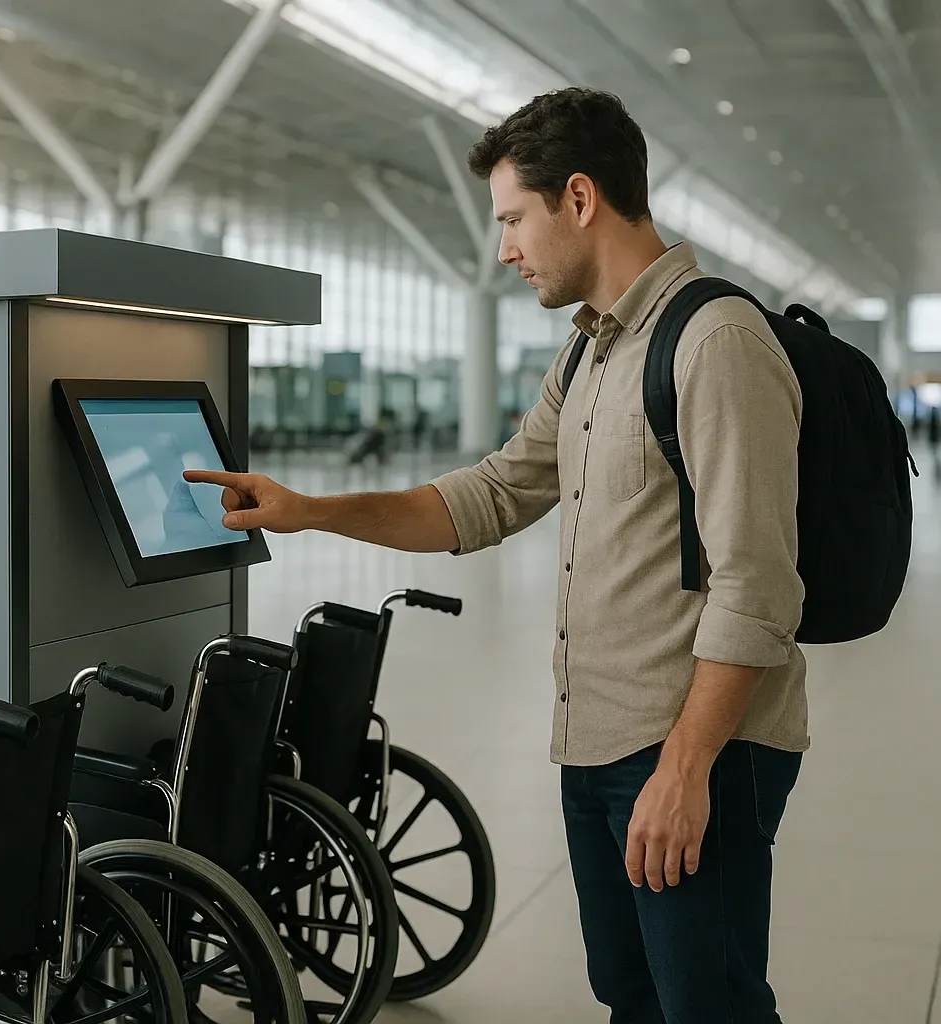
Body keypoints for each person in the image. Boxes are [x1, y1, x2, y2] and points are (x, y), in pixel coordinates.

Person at [187, 87, 806, 1023]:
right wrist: (309, 509)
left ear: (582, 199)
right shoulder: (589, 353)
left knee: (708, 1007)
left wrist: (685, 771)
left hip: (690, 748)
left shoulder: (713, 339)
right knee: (634, 998)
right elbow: (490, 496)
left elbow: (756, 588)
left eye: (514, 217)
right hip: (598, 738)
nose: (505, 247)